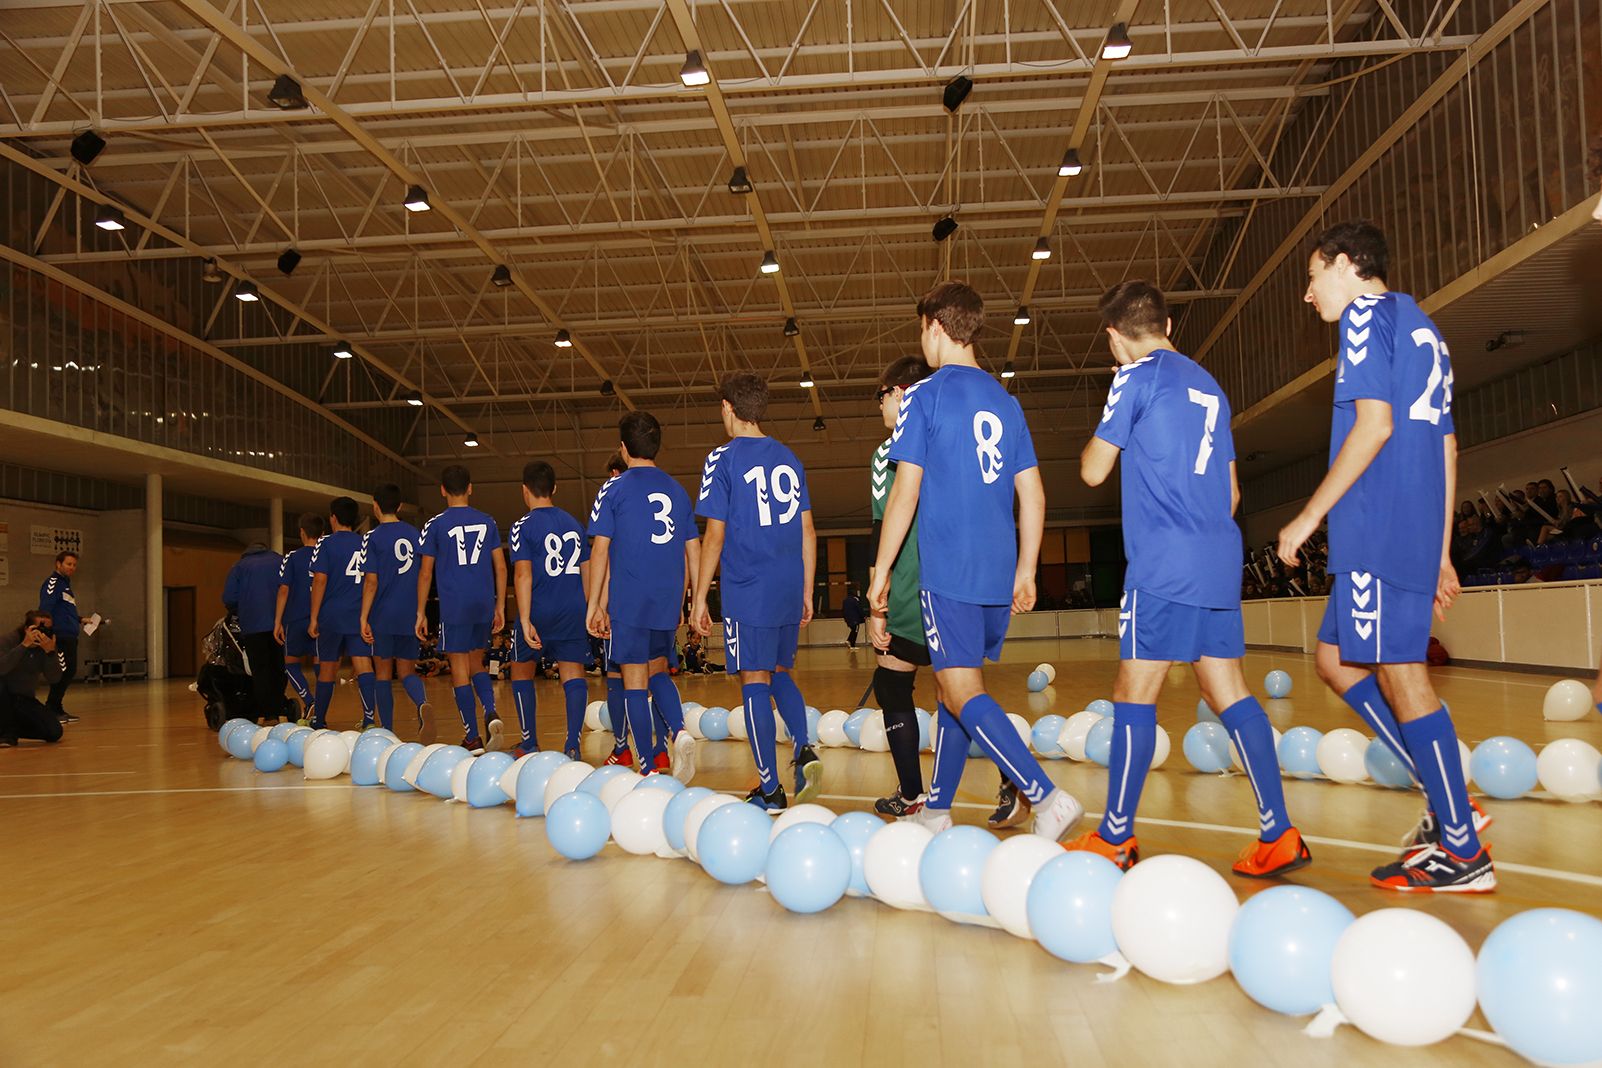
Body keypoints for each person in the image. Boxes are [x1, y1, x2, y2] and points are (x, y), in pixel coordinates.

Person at [1067, 280, 1309, 876]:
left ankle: (1115, 837)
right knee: (1227, 690)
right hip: (1217, 557)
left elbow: (1093, 471)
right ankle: (1279, 831)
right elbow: (1231, 493)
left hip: (1163, 563)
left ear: (1114, 337)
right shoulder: (1210, 386)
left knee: (1134, 692)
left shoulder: (1133, 377)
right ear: (1169, 326)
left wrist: (1116, 411)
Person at [1279, 220, 1494, 892]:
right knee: (1334, 660)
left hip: (1379, 522)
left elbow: (1374, 426)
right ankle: (1449, 802)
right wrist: (1441, 552)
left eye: (1313, 276)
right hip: (1412, 524)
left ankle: (1462, 846)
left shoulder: (1366, 316)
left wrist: (1309, 517)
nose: (1309, 294)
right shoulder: (1422, 325)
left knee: (1403, 675)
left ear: (1346, 264)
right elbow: (1448, 447)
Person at [869, 280, 1083, 841]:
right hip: (996, 570)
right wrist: (1027, 569)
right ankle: (937, 808)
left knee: (962, 690)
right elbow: (1033, 494)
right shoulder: (1006, 401)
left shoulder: (925, 396)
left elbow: (905, 492)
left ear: (936, 327)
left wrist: (881, 571)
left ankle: (1046, 796)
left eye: (922, 328)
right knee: (952, 688)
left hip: (951, 568)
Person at [690, 373, 823, 809]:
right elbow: (807, 530)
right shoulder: (789, 458)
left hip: (749, 588)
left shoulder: (722, 459)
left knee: (753, 680)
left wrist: (699, 597)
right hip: (787, 584)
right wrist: (807, 590)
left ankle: (770, 790)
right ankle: (803, 747)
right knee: (779, 672)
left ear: (728, 408)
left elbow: (714, 534)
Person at [586, 412, 700, 783]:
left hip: (630, 597)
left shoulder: (613, 489)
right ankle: (679, 730)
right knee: (658, 671)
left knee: (634, 682)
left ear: (623, 448)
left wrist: (595, 604)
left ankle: (649, 766)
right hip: (666, 596)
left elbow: (600, 548)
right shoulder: (677, 490)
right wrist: (689, 599)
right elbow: (692, 548)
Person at [416, 465, 508, 753]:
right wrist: (500, 606)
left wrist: (420, 611)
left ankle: (472, 737)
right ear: (470, 488)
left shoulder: (435, 525)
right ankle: (490, 710)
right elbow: (501, 567)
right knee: (476, 663)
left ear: (442, 490)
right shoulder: (487, 521)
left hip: (454, 604)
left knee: (459, 668)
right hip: (482, 602)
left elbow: (425, 573)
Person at [509, 460, 594, 760]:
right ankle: (572, 744)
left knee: (521, 668)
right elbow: (587, 570)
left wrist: (524, 618)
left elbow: (523, 574)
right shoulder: (575, 524)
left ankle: (529, 741)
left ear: (525, 490)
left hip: (538, 608)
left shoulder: (522, 526)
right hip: (573, 608)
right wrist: (588, 608)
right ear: (554, 488)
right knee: (573, 672)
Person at [358, 484, 435, 743]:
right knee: (407, 672)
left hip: (383, 613)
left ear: (375, 506)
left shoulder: (373, 537)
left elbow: (371, 581)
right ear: (400, 506)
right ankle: (422, 702)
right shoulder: (415, 534)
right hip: (410, 612)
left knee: (382, 674)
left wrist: (364, 616)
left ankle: (388, 731)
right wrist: (421, 611)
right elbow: (424, 574)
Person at [307, 497, 374, 730]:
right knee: (363, 664)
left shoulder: (325, 543)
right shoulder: (365, 543)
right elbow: (371, 580)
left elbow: (320, 580)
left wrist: (313, 617)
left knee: (327, 667)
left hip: (331, 615)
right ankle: (369, 719)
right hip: (358, 613)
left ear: (333, 518)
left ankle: (319, 720)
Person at [222, 540, 288, 725]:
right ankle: (280, 709)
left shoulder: (239, 567)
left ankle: (266, 713)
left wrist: (240, 610)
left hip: (252, 625)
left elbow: (229, 597)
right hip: (280, 624)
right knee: (279, 667)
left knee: (260, 669)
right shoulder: (280, 561)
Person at [274, 513, 324, 720]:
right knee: (322, 665)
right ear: (322, 533)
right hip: (321, 619)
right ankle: (321, 708)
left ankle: (309, 700)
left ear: (301, 532)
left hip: (296, 618)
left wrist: (277, 621)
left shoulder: (292, 557)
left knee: (290, 664)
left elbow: (283, 590)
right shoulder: (326, 555)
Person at [0, 611, 66, 747]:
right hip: (4, 697)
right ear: (27, 629)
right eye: (40, 628)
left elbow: (54, 678)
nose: (43, 633)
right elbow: (2, 668)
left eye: (48, 629)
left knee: (54, 732)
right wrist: (24, 645)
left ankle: (11, 729)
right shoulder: (8, 641)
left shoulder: (48, 645)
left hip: (24, 699)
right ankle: (7, 734)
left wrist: (50, 653)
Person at [38, 551, 82, 723]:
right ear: (58, 564)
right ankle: (52, 708)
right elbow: (46, 609)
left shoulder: (66, 586)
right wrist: (48, 633)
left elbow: (64, 611)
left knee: (70, 670)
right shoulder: (53, 583)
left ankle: (56, 706)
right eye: (68, 564)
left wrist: (80, 619)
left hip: (69, 635)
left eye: (74, 565)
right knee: (63, 671)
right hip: (60, 636)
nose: (72, 568)